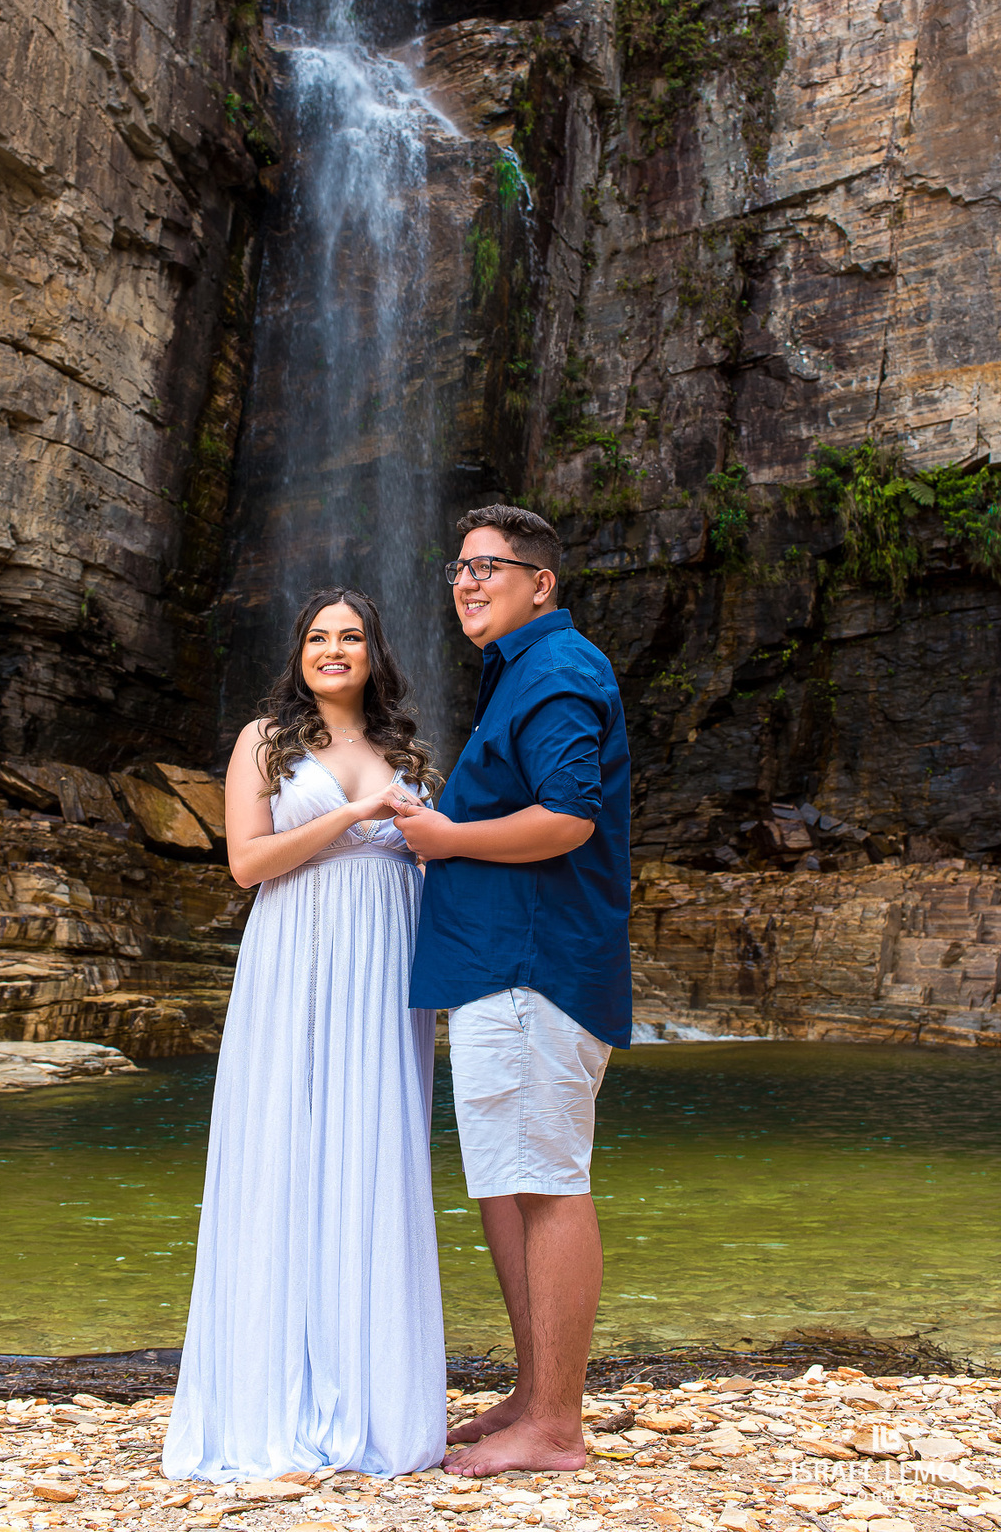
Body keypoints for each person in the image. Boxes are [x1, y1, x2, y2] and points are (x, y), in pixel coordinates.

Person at [163, 588, 446, 1482]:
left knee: (374, 1154)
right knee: (285, 1147)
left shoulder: (405, 748)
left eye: (351, 636)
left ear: (374, 653)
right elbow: (248, 862)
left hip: (389, 973)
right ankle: (268, 1408)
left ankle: (371, 1407)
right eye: (319, 637)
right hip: (299, 959)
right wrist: (351, 817)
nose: (334, 649)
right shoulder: (264, 741)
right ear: (298, 653)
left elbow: (436, 859)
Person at [394, 504, 631, 1477]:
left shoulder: (560, 670)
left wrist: (444, 838)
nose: (468, 581)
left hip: (536, 968)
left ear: (544, 584)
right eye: (458, 566)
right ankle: (534, 1397)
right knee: (508, 1179)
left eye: (492, 566)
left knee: (544, 1182)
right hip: (500, 971)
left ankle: (557, 1426)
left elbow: (568, 818)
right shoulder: (517, 677)